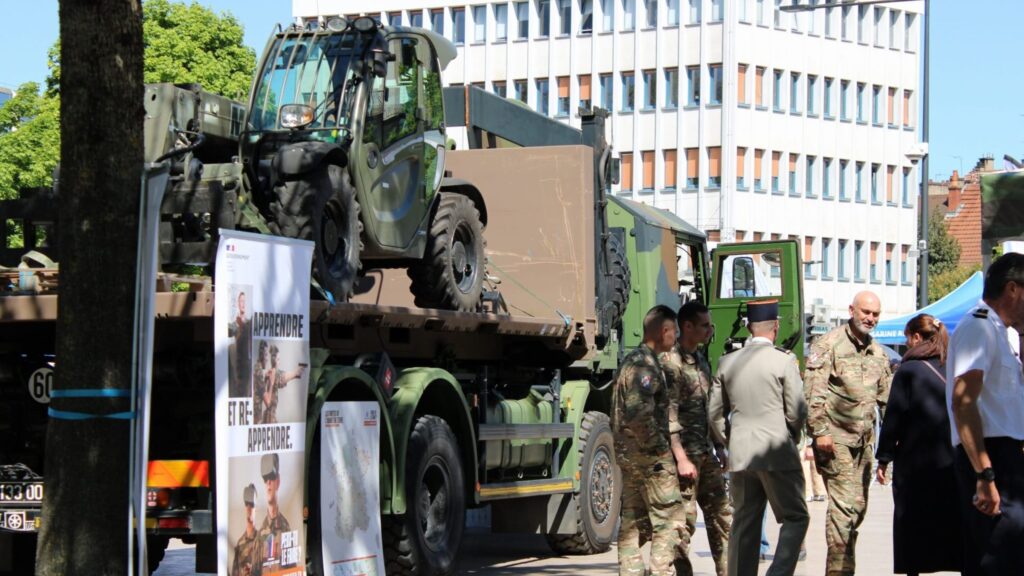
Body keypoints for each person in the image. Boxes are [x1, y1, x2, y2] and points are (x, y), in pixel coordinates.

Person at [709, 299, 808, 576]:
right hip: (776, 451)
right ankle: (777, 572)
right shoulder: (784, 360)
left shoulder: (727, 362)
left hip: (742, 453)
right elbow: (796, 410)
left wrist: (729, 441)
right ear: (775, 327)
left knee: (745, 520)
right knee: (796, 517)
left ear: (749, 328)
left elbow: (715, 412)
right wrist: (792, 435)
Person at [804, 290, 892, 576]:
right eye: (866, 312)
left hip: (864, 444)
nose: (870, 318)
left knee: (858, 508)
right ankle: (839, 571)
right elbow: (813, 394)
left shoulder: (878, 352)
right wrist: (820, 432)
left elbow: (886, 399)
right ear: (852, 310)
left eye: (875, 314)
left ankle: (845, 567)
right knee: (843, 511)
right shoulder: (828, 344)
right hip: (835, 441)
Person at [947, 253, 1024, 575]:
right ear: (1013, 289)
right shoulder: (979, 327)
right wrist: (985, 475)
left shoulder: (1001, 331)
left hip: (1006, 459)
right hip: (991, 459)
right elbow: (963, 402)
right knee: (996, 560)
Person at [874, 313, 963, 575]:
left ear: (915, 337)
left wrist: (884, 457)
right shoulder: (955, 366)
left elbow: (894, 417)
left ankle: (914, 568)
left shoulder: (909, 371)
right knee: (953, 520)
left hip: (915, 464)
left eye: (907, 338)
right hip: (952, 458)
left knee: (912, 521)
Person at [612, 304, 687, 576]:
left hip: (631, 458)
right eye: (674, 332)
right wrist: (662, 451)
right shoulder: (645, 366)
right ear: (664, 331)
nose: (676, 337)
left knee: (632, 523)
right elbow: (638, 415)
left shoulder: (633, 360)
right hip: (649, 460)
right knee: (670, 521)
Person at [662, 301, 731, 576]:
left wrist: (718, 445)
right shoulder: (671, 362)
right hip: (683, 459)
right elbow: (668, 415)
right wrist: (679, 458)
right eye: (704, 325)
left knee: (722, 517)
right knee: (683, 524)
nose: (710, 330)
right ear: (686, 326)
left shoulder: (700, 359)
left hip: (705, 453)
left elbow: (708, 407)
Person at [257, 453, 291, 573]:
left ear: (278, 481)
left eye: (271, 477)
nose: (268, 483)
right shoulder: (259, 535)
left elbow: (292, 569)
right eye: (265, 479)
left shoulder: (286, 528)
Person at [257, 344, 306, 424]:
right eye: (278, 359)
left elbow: (285, 378)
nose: (279, 361)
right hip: (270, 418)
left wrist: (295, 374)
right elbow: (283, 378)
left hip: (270, 416)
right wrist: (296, 372)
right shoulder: (273, 373)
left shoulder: (270, 372)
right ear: (275, 360)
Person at [228, 290, 253, 397]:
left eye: (245, 301)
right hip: (237, 359)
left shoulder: (250, 323)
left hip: (248, 360)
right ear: (238, 303)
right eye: (241, 301)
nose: (243, 304)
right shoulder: (233, 324)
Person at [232, 483, 259, 576]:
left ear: (256, 509)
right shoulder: (240, 544)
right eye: (246, 504)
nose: (249, 508)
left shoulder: (263, 540)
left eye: (252, 504)